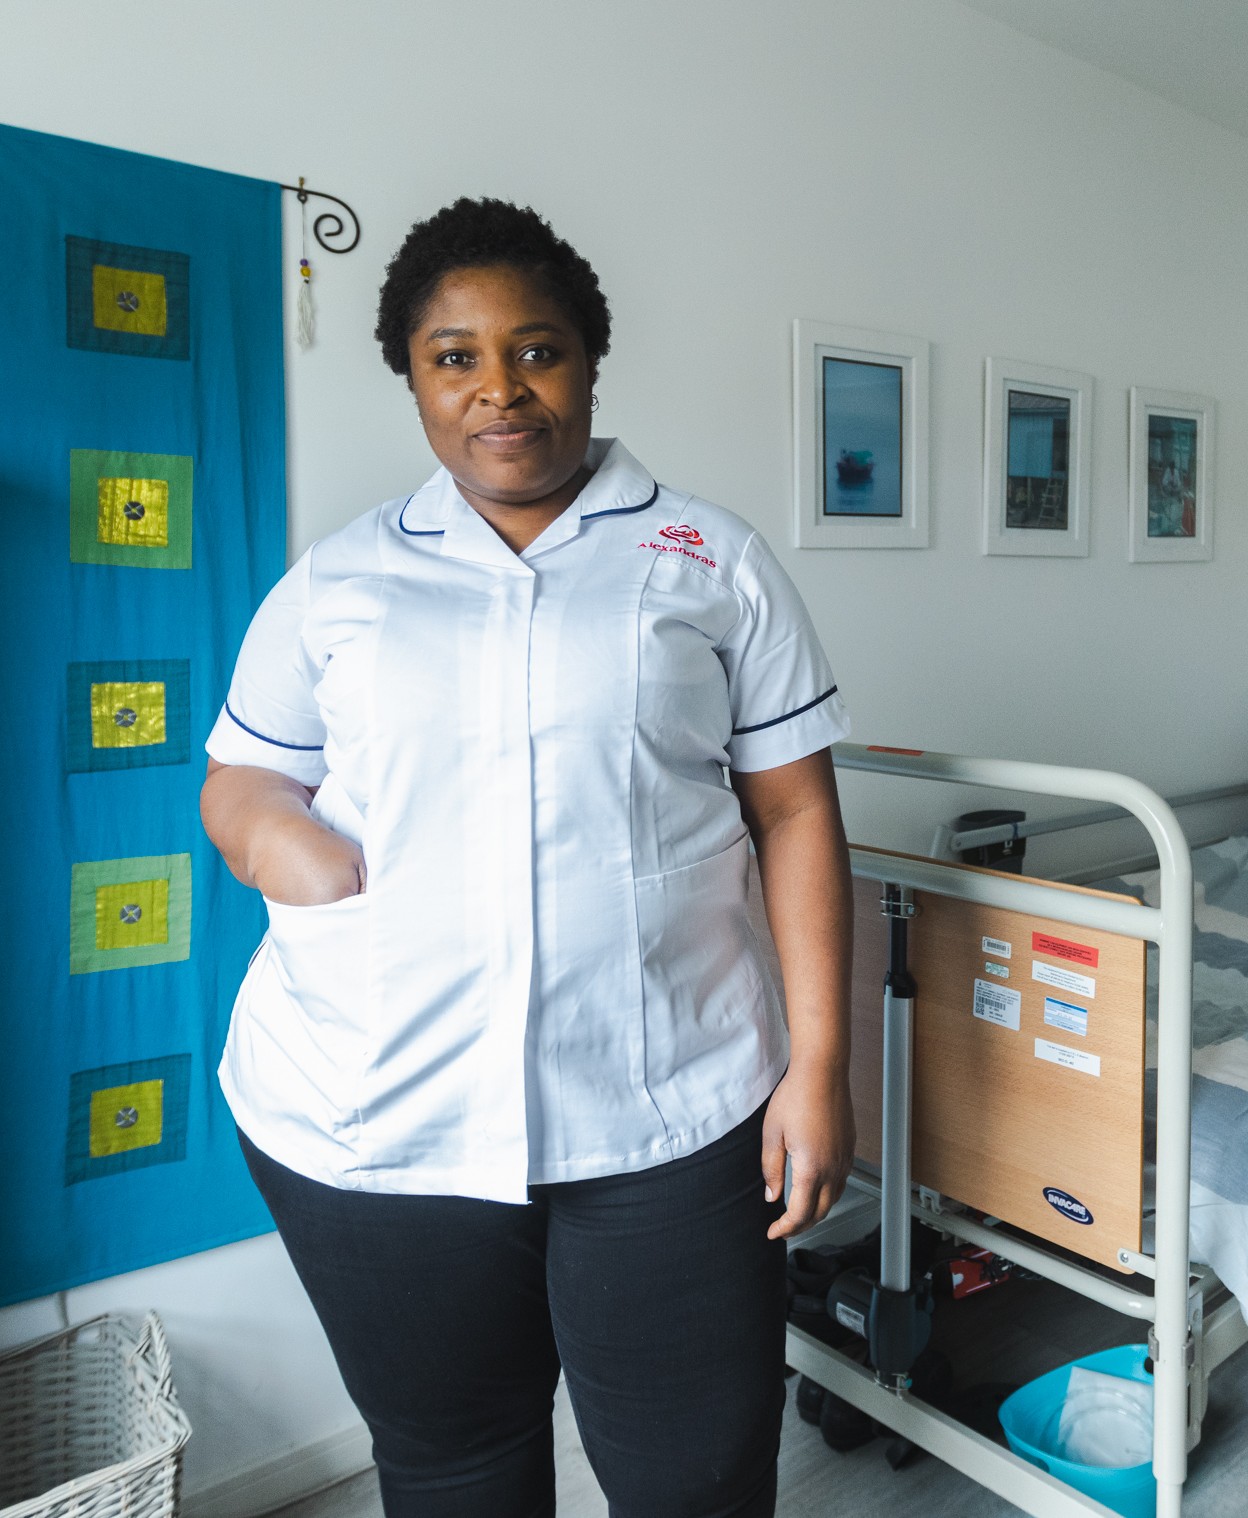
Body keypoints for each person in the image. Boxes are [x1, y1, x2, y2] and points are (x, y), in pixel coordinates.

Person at [200, 198, 856, 1518]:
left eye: (536, 349)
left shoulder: (708, 559)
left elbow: (793, 810)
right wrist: (293, 853)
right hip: (377, 1110)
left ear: (589, 362)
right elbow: (241, 776)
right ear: (412, 378)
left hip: (665, 1103)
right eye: (454, 356)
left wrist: (819, 1067)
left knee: (699, 1477)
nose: (499, 387)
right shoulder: (339, 580)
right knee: (454, 1465)